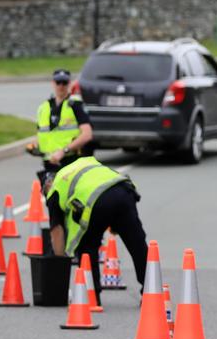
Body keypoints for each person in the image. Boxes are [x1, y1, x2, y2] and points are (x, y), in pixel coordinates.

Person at [46, 156, 148, 305]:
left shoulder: (54, 191)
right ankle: (151, 292)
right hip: (123, 190)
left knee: (87, 247)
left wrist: (59, 262)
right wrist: (115, 222)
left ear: (47, 186)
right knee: (137, 244)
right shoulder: (82, 163)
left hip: (97, 201)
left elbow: (57, 231)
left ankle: (92, 296)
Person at [34, 69, 93, 176]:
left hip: (70, 161)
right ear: (53, 83)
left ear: (69, 84)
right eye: (58, 82)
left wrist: (64, 151)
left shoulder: (75, 105)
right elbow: (41, 133)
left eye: (64, 83)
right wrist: (35, 146)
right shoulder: (44, 107)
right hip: (49, 163)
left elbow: (87, 134)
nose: (61, 86)